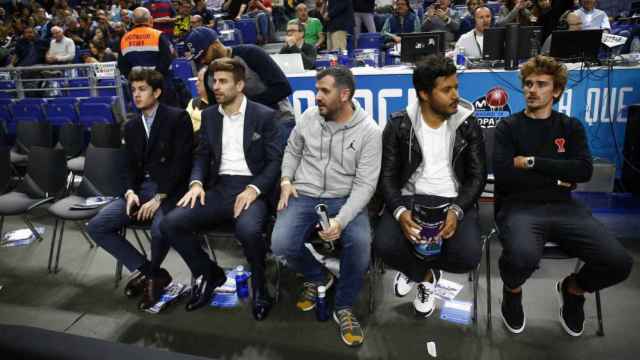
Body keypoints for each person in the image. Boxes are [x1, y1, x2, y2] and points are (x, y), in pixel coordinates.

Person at [494, 55, 632, 336]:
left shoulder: (570, 127)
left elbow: (583, 171)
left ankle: (573, 290)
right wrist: (558, 177)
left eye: (541, 84)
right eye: (529, 84)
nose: (532, 90)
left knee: (619, 262)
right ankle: (512, 292)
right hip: (519, 207)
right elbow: (506, 174)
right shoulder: (508, 127)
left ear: (556, 91)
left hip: (565, 207)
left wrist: (532, 162)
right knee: (521, 257)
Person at [161, 57, 281, 320]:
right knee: (171, 223)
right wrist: (195, 183)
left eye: (223, 81)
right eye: (214, 81)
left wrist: (254, 189)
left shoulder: (265, 116)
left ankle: (260, 285)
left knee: (248, 230)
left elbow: (275, 162)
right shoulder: (208, 116)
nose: (215, 86)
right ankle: (209, 273)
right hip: (218, 187)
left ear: (239, 85)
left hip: (252, 188)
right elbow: (202, 155)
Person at [271, 67, 382, 347]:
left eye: (324, 91)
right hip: (304, 193)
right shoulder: (309, 117)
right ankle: (317, 275)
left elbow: (365, 185)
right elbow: (293, 150)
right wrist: (286, 180)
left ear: (344, 95)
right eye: (316, 89)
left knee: (360, 244)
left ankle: (344, 307)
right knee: (281, 244)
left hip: (344, 198)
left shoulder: (369, 131)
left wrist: (341, 221)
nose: (316, 96)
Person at [374, 54, 486, 318]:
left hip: (455, 199)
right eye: (447, 90)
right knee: (383, 246)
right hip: (411, 198)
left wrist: (458, 210)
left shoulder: (468, 123)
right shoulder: (398, 125)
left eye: (456, 87)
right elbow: (387, 178)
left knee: (468, 256)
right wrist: (400, 213)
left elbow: (477, 177)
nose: (455, 95)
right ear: (424, 94)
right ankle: (424, 276)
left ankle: (420, 269)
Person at [87, 69, 194, 310]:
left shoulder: (177, 118)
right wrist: (129, 192)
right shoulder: (131, 125)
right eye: (133, 90)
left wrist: (159, 197)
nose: (136, 94)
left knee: (160, 228)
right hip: (140, 190)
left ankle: (152, 278)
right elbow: (127, 166)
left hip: (171, 190)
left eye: (142, 89)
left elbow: (182, 163)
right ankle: (152, 272)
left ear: (157, 92)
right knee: (97, 226)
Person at [184, 27, 293, 112]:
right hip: (239, 126)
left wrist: (244, 106)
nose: (202, 61)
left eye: (203, 55)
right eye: (198, 60)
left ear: (215, 45)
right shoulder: (209, 75)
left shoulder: (251, 54)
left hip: (277, 116)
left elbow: (283, 88)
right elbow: (216, 108)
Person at [118, 7, 176, 105]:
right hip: (161, 87)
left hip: (139, 89)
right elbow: (168, 59)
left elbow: (122, 65)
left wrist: (136, 80)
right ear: (150, 19)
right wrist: (153, 80)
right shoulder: (158, 35)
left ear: (133, 20)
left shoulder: (125, 38)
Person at [185, 66, 210, 135]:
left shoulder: (221, 105)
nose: (196, 84)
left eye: (200, 80)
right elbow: (185, 125)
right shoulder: (193, 102)